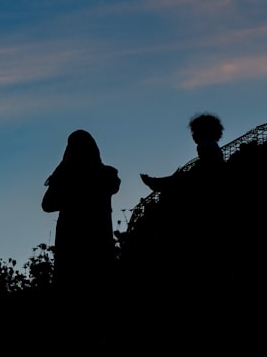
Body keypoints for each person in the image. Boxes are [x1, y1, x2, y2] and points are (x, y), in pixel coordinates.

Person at [42, 130, 121, 290]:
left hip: (79, 251)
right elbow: (47, 204)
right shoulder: (105, 174)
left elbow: (47, 204)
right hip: (86, 250)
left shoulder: (103, 175)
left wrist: (62, 169)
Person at [140, 113, 224, 193]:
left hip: (206, 176)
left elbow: (209, 164)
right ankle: (158, 182)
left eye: (195, 131)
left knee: (179, 179)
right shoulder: (208, 145)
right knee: (178, 178)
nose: (193, 135)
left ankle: (157, 183)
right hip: (204, 172)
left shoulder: (207, 145)